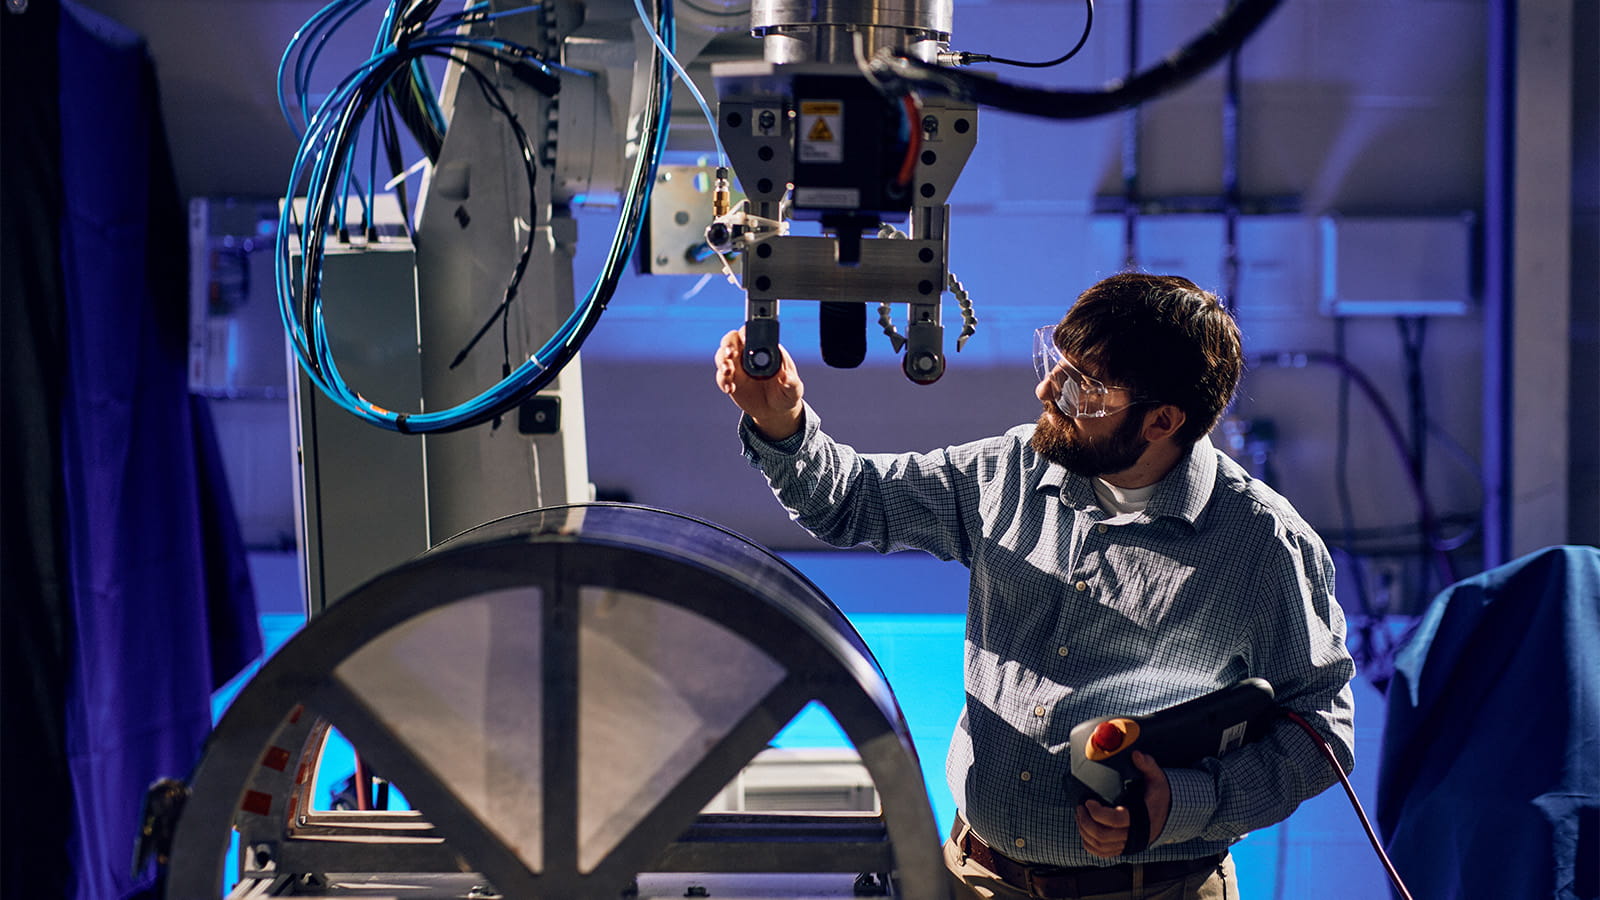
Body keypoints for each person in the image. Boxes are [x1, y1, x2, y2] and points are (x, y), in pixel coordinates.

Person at [713, 272, 1356, 900]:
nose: (1050, 389)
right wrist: (785, 426)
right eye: (1058, 361)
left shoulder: (1262, 547)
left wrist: (1185, 805)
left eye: (1086, 386)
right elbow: (856, 502)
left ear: (1162, 423)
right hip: (975, 875)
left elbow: (1323, 731)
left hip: (1155, 888)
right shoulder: (1012, 472)